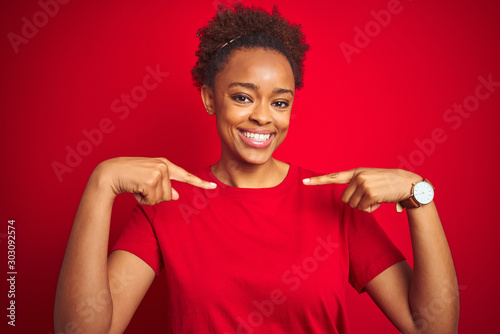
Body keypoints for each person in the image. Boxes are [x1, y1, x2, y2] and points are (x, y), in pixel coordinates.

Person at [54, 3, 459, 333]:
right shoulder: (167, 202)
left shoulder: (335, 201)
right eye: (243, 97)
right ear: (209, 99)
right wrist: (100, 185)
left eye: (279, 102)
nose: (263, 117)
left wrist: (417, 193)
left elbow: (433, 328)